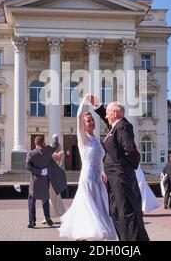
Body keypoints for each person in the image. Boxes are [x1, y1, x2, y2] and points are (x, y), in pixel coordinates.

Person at [90, 94, 149, 241]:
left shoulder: (123, 126)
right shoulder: (116, 126)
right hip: (114, 176)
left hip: (121, 175)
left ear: (114, 113)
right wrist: (97, 106)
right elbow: (107, 119)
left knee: (126, 211)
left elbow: (129, 150)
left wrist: (126, 168)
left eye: (108, 113)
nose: (106, 116)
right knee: (115, 211)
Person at [59, 95, 117, 241]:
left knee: (99, 205)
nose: (91, 122)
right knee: (90, 206)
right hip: (88, 176)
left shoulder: (97, 140)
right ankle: (87, 233)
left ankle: (92, 234)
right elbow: (78, 116)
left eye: (92, 120)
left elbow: (100, 159)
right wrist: (85, 101)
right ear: (83, 125)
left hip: (98, 176)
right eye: (88, 121)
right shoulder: (82, 138)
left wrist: (103, 171)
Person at [25, 134, 67, 228]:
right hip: (45, 180)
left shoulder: (31, 153)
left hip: (34, 181)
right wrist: (55, 138)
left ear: (34, 143)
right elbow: (55, 146)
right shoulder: (47, 150)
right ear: (43, 143)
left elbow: (27, 166)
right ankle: (47, 217)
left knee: (32, 201)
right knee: (45, 200)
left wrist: (38, 171)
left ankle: (32, 222)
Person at [42, 150, 66, 224]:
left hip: (51, 179)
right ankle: (48, 217)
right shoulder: (60, 155)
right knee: (54, 198)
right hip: (54, 179)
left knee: (52, 198)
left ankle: (49, 217)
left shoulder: (54, 155)